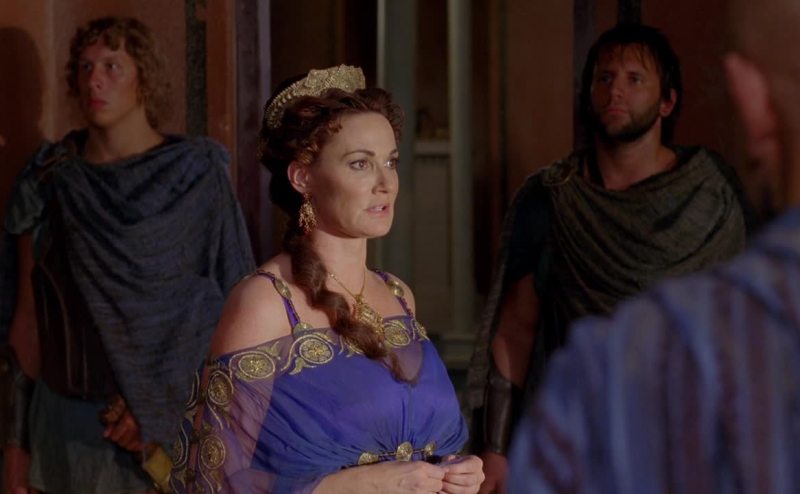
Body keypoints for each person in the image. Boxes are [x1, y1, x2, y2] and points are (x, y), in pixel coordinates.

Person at [508, 1, 800, 492]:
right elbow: (517, 324)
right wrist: (496, 446)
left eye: (634, 79)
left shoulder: (710, 193)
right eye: (604, 78)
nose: (615, 91)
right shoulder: (553, 196)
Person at [169, 65, 485, 493]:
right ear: (303, 177)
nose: (385, 183)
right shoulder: (266, 304)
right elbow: (214, 482)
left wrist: (457, 472)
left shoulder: (398, 295)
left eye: (391, 162)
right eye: (360, 164)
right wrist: (358, 486)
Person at [0, 17, 254, 493]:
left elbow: (236, 309)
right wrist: (14, 447)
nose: (94, 80)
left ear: (145, 78)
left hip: (162, 435)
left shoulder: (194, 176)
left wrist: (162, 403)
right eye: (85, 67)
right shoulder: (49, 181)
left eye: (112, 66)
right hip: (63, 428)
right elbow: (28, 319)